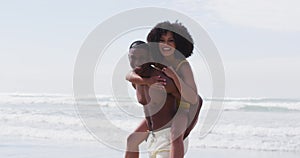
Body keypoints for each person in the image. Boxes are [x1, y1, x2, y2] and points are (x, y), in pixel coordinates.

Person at [146, 21, 201, 158]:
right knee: (133, 138)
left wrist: (175, 76)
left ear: (178, 43)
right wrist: (144, 81)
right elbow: (131, 74)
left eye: (171, 40)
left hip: (182, 109)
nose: (166, 44)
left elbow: (193, 97)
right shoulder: (156, 62)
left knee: (175, 136)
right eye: (162, 40)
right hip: (163, 110)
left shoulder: (183, 65)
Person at [125, 40, 183, 158]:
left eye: (142, 57)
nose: (137, 62)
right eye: (133, 57)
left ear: (149, 58)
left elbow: (189, 100)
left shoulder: (160, 80)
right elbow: (129, 76)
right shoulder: (137, 80)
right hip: (153, 134)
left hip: (168, 136)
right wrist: (146, 81)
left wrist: (179, 132)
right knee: (132, 140)